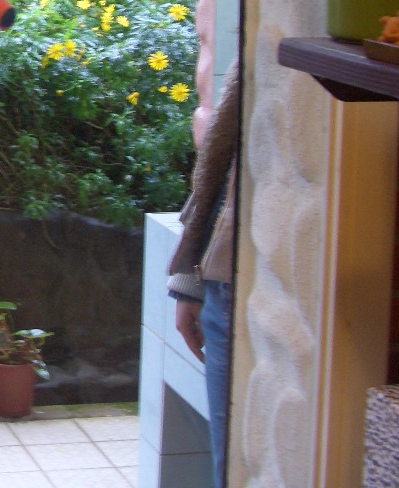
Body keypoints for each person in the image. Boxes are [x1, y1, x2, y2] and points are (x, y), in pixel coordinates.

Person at [167, 61, 240, 488]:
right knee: (233, 466)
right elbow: (221, 158)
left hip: (241, 286)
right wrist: (191, 283)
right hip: (225, 283)